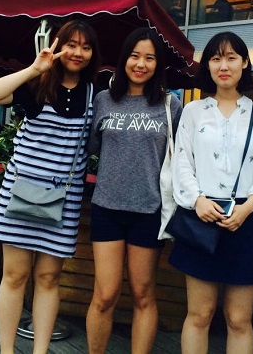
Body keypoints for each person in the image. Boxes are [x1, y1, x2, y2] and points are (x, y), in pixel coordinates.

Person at [0, 19, 100, 354]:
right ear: (59, 44)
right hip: (19, 192)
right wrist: (35, 68)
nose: (78, 52)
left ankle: (40, 351)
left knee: (49, 278)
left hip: (63, 198)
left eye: (86, 46)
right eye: (72, 44)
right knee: (15, 276)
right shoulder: (36, 86)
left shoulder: (95, 94)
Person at [169, 32, 253, 354]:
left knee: (239, 319)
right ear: (208, 66)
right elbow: (181, 162)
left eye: (231, 57)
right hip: (200, 219)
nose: (224, 65)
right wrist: (197, 200)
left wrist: (249, 206)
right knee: (199, 314)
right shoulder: (193, 111)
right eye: (216, 58)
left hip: (246, 221)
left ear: (245, 63)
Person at [85, 27, 182, 354]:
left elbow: (182, 159)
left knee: (143, 295)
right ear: (124, 59)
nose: (141, 64)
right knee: (105, 295)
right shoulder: (103, 101)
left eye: (149, 58)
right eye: (134, 56)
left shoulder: (171, 106)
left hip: (150, 212)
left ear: (158, 64)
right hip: (107, 208)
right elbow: (91, 149)